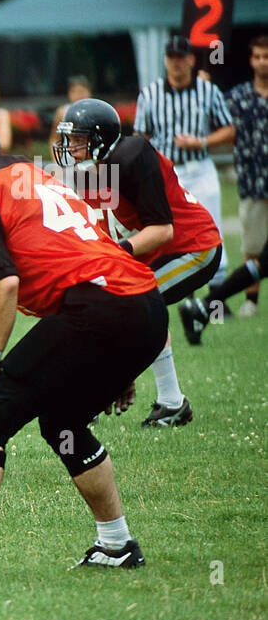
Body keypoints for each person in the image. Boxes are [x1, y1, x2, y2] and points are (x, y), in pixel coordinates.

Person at [0, 112, 167, 588]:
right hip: (140, 305)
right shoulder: (31, 173)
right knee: (62, 420)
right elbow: (73, 258)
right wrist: (118, 361)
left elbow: (4, 284)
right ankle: (117, 544)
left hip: (101, 308)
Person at [55, 98, 221, 427]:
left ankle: (128, 395)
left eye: (78, 139)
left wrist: (116, 254)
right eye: (69, 139)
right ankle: (163, 400)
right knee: (116, 304)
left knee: (137, 305)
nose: (70, 147)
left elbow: (162, 230)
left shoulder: (134, 157)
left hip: (194, 247)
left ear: (100, 139)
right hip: (155, 253)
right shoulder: (89, 173)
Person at [134, 34, 236, 281]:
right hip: (168, 172)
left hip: (200, 166)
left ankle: (216, 296)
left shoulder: (207, 91)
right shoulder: (150, 94)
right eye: (171, 57)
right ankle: (169, 287)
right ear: (165, 60)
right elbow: (140, 137)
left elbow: (229, 129)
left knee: (212, 225)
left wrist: (201, 142)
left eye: (181, 57)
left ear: (191, 60)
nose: (176, 62)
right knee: (166, 229)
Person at [223, 34, 268, 317]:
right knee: (252, 244)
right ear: (251, 60)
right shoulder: (237, 98)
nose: (263, 62)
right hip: (253, 181)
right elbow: (214, 116)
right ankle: (252, 300)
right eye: (258, 56)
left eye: (267, 56)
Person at [49, 75, 92, 149]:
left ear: (89, 92)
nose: (78, 95)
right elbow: (55, 138)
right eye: (74, 91)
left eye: (81, 91)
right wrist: (55, 157)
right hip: (68, 152)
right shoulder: (62, 112)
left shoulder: (96, 111)